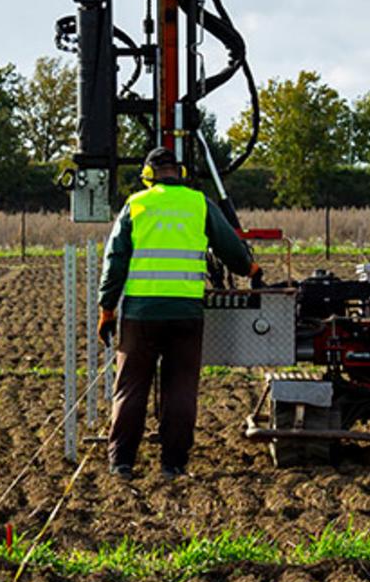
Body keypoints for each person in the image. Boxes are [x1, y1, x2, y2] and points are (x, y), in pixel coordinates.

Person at [96, 146, 257, 480]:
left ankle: (121, 463)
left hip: (141, 314)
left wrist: (107, 309)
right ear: (180, 174)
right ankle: (173, 464)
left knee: (131, 387)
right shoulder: (199, 204)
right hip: (186, 314)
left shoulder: (136, 205)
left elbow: (115, 261)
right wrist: (250, 267)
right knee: (181, 388)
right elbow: (231, 248)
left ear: (148, 175)